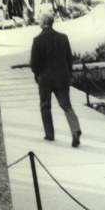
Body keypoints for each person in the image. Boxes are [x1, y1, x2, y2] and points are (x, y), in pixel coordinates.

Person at [30, 12, 81, 147]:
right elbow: (69, 59)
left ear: (44, 23)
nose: (38, 21)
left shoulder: (37, 40)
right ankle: (75, 130)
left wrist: (37, 74)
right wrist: (69, 75)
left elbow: (34, 63)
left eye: (40, 20)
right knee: (66, 105)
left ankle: (50, 134)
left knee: (45, 106)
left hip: (45, 79)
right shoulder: (63, 38)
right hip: (62, 78)